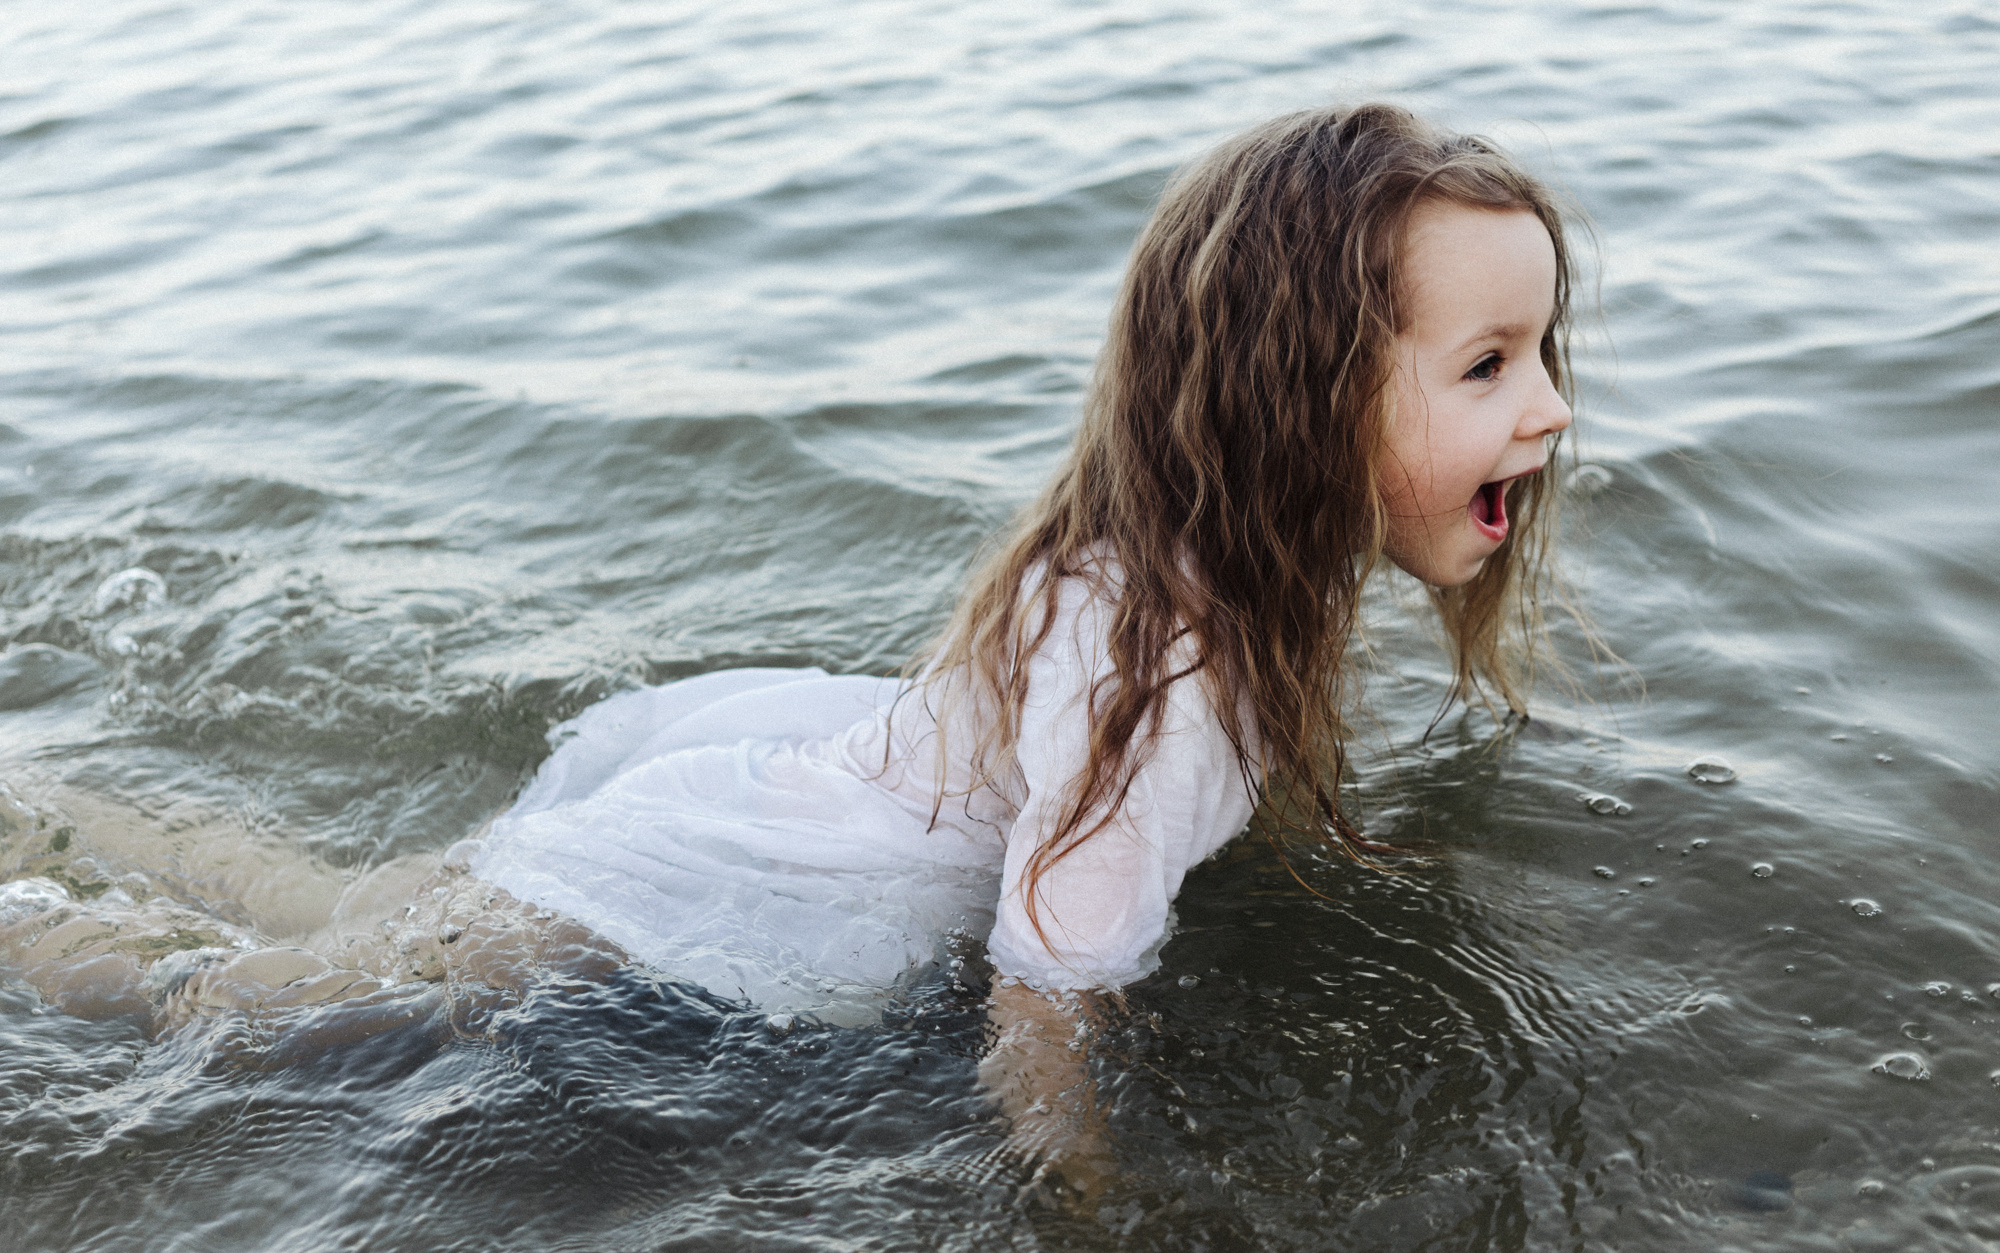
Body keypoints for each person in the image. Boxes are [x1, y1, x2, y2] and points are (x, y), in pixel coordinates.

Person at [0, 101, 1576, 1189]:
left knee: (357, 912)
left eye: (1545, 350)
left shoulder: (1168, 574)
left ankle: (52, 813)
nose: (1551, 406)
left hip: (751, 777)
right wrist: (1086, 1200)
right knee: (254, 1008)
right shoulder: (1173, 680)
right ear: (1296, 400)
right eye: (1490, 363)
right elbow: (1046, 989)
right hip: (726, 887)